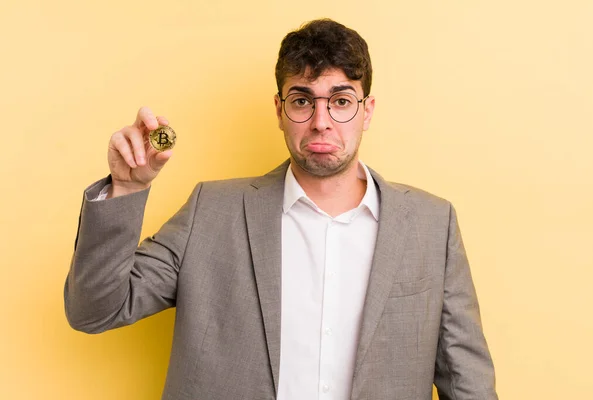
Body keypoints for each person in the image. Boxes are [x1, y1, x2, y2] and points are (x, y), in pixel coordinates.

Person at [65, 19, 498, 400]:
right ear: (280, 109)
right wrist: (125, 187)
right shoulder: (210, 211)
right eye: (302, 100)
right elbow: (95, 310)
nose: (321, 121)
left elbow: (467, 381)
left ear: (367, 112)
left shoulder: (430, 224)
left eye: (341, 101)